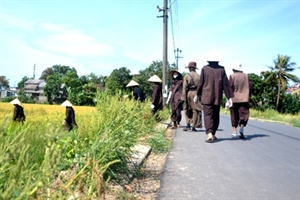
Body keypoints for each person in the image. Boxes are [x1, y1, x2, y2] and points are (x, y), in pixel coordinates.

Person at [195, 49, 233, 143]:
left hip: (206, 96)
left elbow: (201, 83)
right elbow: (226, 85)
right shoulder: (221, 69)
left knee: (208, 115)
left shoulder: (205, 68)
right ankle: (213, 133)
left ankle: (209, 133)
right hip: (217, 96)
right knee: (216, 115)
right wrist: (229, 97)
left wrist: (198, 94)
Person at [229, 61, 253, 139]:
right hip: (244, 99)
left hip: (234, 98)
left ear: (234, 69)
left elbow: (229, 87)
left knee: (234, 114)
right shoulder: (246, 76)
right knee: (244, 115)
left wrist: (229, 97)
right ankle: (242, 129)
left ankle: (234, 131)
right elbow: (250, 86)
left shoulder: (232, 76)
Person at [181, 61, 203, 132]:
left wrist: (183, 98)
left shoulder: (187, 76)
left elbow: (184, 87)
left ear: (190, 68)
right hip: (197, 93)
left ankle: (188, 125)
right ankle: (193, 126)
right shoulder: (199, 76)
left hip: (189, 93)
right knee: (196, 110)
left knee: (187, 108)